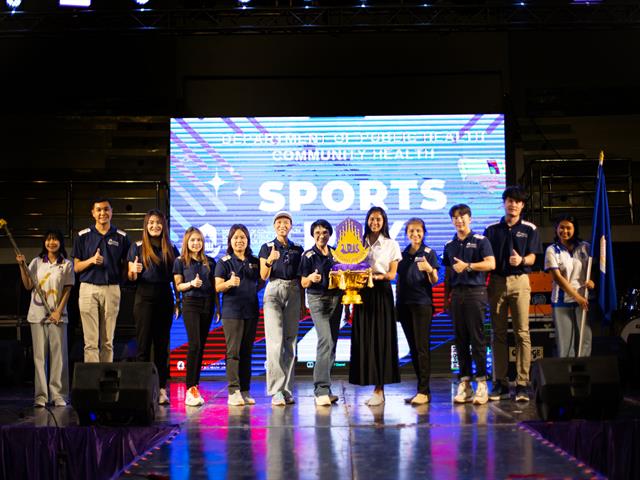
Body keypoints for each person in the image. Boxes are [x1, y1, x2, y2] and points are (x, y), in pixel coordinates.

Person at [484, 186, 542, 402]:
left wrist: (522, 260)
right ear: (504, 202)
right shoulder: (491, 229)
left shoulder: (530, 228)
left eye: (518, 201)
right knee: (497, 333)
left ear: (522, 205)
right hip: (496, 282)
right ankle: (499, 382)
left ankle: (522, 384)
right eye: (510, 200)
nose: (513, 204)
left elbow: (534, 258)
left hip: (520, 281)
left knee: (522, 333)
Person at [349, 206, 402, 406]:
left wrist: (373, 276)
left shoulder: (391, 244)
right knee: (365, 340)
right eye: (372, 219)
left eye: (379, 219)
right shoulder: (358, 243)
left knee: (381, 340)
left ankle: (379, 389)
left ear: (384, 221)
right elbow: (349, 268)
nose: (375, 222)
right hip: (361, 293)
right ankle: (371, 386)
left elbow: (391, 274)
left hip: (381, 293)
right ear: (367, 221)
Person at [443, 204, 495, 405]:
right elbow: (447, 274)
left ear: (470, 219)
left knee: (478, 339)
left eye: (463, 216)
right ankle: (465, 382)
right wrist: (447, 298)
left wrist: (469, 266)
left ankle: (482, 383)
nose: (459, 220)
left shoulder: (481, 241)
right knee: (461, 340)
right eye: (455, 217)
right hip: (457, 296)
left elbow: (491, 264)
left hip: (476, 293)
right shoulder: (449, 245)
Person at [17, 229, 74, 407]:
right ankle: (41, 396)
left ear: (60, 243)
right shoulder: (36, 262)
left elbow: (67, 289)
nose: (51, 243)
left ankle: (59, 395)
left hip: (57, 316)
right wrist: (22, 266)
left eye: (55, 239)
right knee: (40, 357)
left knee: (58, 356)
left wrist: (58, 311)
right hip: (37, 315)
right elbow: (28, 285)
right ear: (44, 242)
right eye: (48, 239)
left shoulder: (66, 264)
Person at [127, 209, 179, 405]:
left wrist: (178, 301)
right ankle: (142, 389)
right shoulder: (136, 247)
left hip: (164, 297)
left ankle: (162, 389)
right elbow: (130, 277)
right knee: (143, 346)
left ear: (163, 226)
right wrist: (133, 272)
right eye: (151, 222)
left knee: (161, 346)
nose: (154, 226)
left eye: (158, 222)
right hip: (143, 297)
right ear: (146, 225)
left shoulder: (170, 248)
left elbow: (175, 278)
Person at [73, 198, 130, 363]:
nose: (102, 213)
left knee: (108, 341)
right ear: (93, 213)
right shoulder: (82, 236)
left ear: (111, 211)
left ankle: (106, 382)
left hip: (111, 289)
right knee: (90, 342)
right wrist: (91, 260)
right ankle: (91, 384)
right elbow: (76, 267)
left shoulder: (122, 237)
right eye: (98, 210)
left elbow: (127, 265)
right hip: (87, 288)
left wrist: (121, 280)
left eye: (106, 209)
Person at [215, 224, 264, 406]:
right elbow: (217, 286)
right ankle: (233, 391)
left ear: (248, 240)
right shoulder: (224, 262)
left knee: (247, 352)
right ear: (230, 241)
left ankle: (245, 390)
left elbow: (260, 282)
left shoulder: (254, 260)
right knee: (233, 353)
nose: (239, 240)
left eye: (242, 237)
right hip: (232, 313)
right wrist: (229, 283)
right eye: (235, 237)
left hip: (251, 311)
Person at [259, 211, 304, 406]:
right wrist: (270, 260)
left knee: (290, 342)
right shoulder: (267, 247)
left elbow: (301, 278)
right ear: (274, 226)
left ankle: (286, 389)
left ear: (291, 226)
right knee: (275, 341)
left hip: (293, 290)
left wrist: (302, 302)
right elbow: (263, 275)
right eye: (278, 222)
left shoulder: (297, 248)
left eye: (286, 222)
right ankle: (276, 390)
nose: (282, 225)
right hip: (274, 290)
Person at [298, 219, 343, 407]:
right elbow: (303, 283)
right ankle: (320, 390)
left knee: (331, 344)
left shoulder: (337, 254)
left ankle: (327, 388)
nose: (321, 235)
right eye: (317, 232)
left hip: (336, 299)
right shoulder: (307, 255)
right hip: (317, 299)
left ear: (330, 234)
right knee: (325, 340)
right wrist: (310, 278)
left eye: (324, 232)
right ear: (312, 235)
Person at [173, 226, 218, 407]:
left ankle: (195, 387)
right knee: (194, 344)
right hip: (190, 304)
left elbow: (215, 288)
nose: (196, 243)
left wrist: (218, 309)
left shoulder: (210, 262)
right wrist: (191, 283)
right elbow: (178, 286)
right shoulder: (180, 261)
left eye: (199, 240)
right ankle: (190, 387)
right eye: (192, 240)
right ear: (186, 242)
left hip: (207, 304)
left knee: (201, 347)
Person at [396, 218, 439, 405]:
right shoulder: (402, 254)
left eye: (419, 231)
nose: (415, 234)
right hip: (404, 305)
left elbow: (434, 280)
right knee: (413, 349)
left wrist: (429, 270)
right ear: (407, 234)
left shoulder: (429, 253)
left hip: (422, 305)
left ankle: (424, 391)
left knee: (422, 348)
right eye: (412, 231)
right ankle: (421, 391)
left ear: (424, 232)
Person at [544, 214, 595, 357]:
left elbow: (593, 270)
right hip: (562, 302)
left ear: (575, 229)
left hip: (583, 301)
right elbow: (558, 278)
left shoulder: (586, 247)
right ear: (556, 229)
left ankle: (583, 374)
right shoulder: (552, 250)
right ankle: (566, 377)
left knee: (585, 341)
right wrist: (576, 297)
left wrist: (592, 281)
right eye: (561, 227)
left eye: (568, 228)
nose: (564, 231)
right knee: (566, 345)